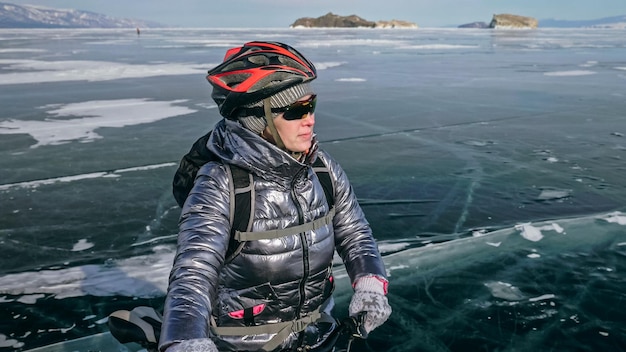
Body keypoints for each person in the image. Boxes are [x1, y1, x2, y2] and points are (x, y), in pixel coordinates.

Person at [159, 41, 391, 352]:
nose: (310, 119)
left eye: (312, 105)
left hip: (319, 334)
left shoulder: (322, 168)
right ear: (258, 118)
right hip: (243, 345)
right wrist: (187, 340)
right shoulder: (221, 183)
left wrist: (370, 284)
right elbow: (194, 272)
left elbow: (355, 233)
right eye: (297, 110)